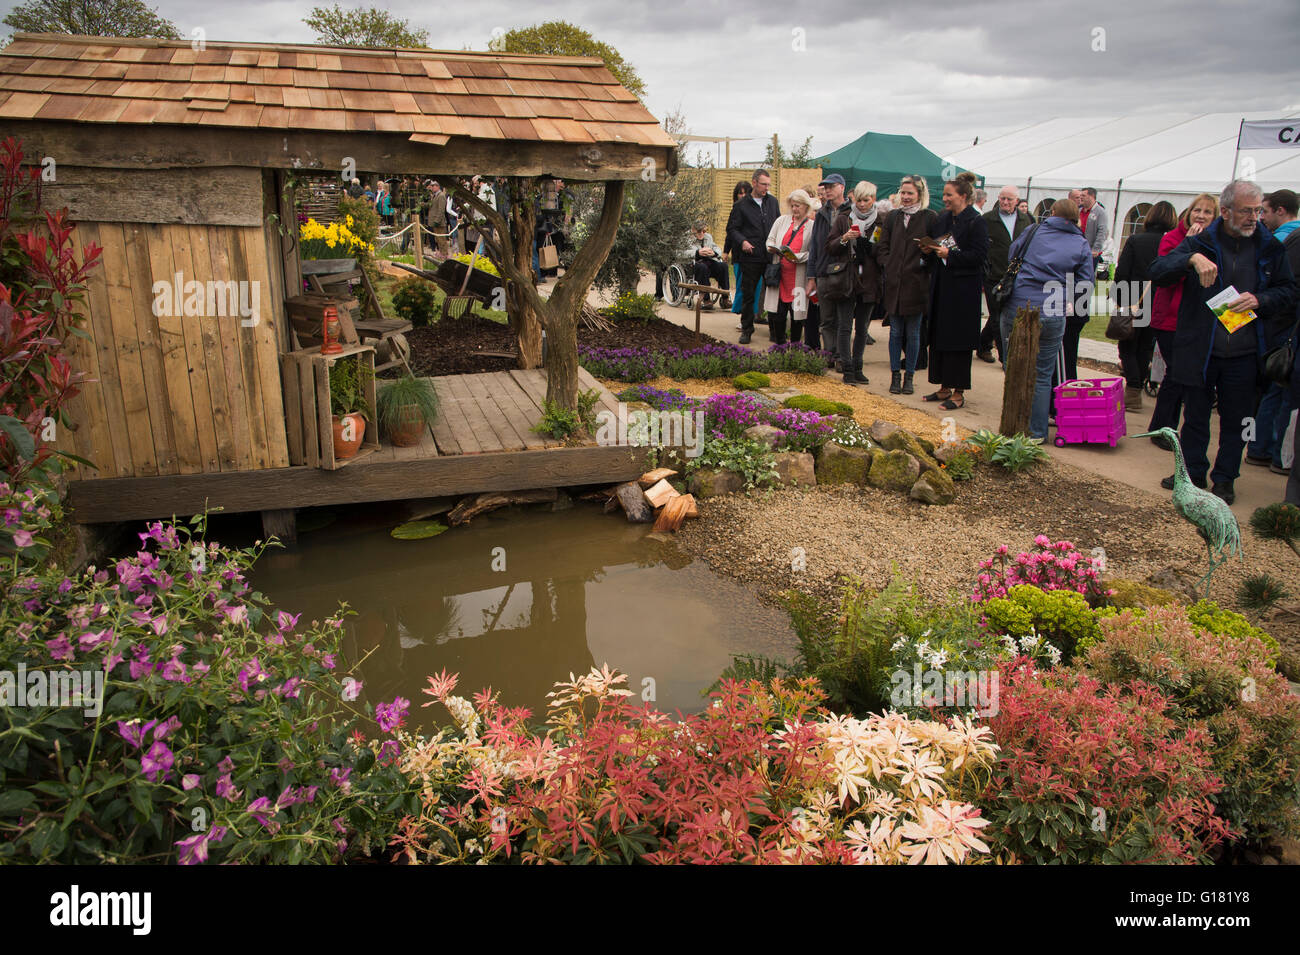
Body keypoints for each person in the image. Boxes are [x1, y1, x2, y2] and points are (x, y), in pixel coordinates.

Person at [1148, 179, 1298, 504]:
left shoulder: (1270, 247)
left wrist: (1260, 299)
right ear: (1226, 210)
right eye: (1246, 211)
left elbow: (1289, 292)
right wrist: (1189, 259)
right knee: (1196, 417)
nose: (1253, 217)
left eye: (1258, 210)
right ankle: (1192, 474)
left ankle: (1226, 478)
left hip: (1246, 352)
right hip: (1202, 350)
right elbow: (1158, 270)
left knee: (1240, 420)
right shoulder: (1200, 242)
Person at [1001, 198, 1094, 439]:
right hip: (1054, 308)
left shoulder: (1034, 230)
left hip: (1021, 303)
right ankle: (1036, 432)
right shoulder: (1081, 243)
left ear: (1052, 213)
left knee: (1015, 366)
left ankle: (1013, 426)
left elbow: (1013, 252)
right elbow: (1086, 282)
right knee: (1043, 372)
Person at [1146, 194, 1217, 447]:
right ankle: (1162, 429)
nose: (1201, 215)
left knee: (1183, 375)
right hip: (1170, 319)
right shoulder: (1173, 239)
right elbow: (1163, 274)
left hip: (1199, 320)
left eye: (1208, 212)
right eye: (1197, 210)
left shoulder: (1216, 243)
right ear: (1187, 213)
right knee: (1175, 373)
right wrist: (1187, 249)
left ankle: (1167, 428)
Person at [921, 172, 989, 409]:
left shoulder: (976, 222)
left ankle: (958, 392)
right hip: (942, 286)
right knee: (939, 337)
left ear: (963, 196)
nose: (945, 199)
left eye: (949, 195)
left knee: (958, 341)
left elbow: (979, 256)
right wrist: (927, 249)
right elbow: (936, 243)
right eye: (944, 195)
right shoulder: (943, 219)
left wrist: (951, 255)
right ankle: (943, 387)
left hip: (963, 292)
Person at [1247, 188, 1300, 474]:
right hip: (1278, 327)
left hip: (1277, 326)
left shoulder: (1284, 240)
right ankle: (1264, 449)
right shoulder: (1285, 241)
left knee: (1270, 390)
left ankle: (1260, 447)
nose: (1260, 218)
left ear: (1280, 210)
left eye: (1263, 211)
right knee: (1273, 391)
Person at [1113, 200, 1177, 412]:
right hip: (1159, 299)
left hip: (1133, 296)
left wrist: (1119, 298)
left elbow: (1122, 272)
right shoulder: (1173, 244)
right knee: (1144, 347)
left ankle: (1132, 389)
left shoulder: (1136, 240)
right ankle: (1136, 387)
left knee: (1128, 346)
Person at [876, 175, 936, 394]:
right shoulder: (893, 217)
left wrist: (924, 263)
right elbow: (882, 246)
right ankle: (895, 375)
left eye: (910, 193)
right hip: (894, 285)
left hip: (916, 285)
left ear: (919, 194)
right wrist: (888, 265)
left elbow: (935, 251)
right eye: (903, 192)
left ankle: (909, 376)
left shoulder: (929, 218)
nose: (906, 197)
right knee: (894, 333)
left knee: (913, 334)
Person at [979, 185, 1034, 364]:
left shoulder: (1026, 220)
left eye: (1009, 199)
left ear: (1017, 201)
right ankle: (1005, 357)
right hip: (993, 275)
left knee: (1007, 313)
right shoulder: (987, 219)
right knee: (996, 316)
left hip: (1016, 276)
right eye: (1002, 198)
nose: (1005, 202)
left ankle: (982, 344)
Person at [807, 173, 856, 373]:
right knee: (826, 318)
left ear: (842, 188)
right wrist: (812, 277)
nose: (827, 190)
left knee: (844, 319)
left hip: (844, 272)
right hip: (824, 272)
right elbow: (815, 246)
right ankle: (829, 354)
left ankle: (843, 357)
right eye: (825, 187)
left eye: (831, 186)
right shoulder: (821, 214)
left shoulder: (852, 211)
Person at [725, 173, 779, 342]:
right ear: (754, 183)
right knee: (748, 294)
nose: (766, 188)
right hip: (750, 257)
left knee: (772, 295)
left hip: (770, 256)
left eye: (768, 185)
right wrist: (743, 242)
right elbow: (732, 229)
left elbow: (778, 223)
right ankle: (747, 329)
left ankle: (775, 331)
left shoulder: (772, 202)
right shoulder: (741, 205)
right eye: (763, 184)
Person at [763, 189, 816, 345]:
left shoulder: (812, 226)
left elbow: (813, 252)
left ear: (806, 206)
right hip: (780, 275)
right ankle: (779, 345)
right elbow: (770, 240)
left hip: (798, 277)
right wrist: (773, 248)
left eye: (798, 206)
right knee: (778, 314)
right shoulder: (782, 221)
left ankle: (794, 348)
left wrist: (797, 257)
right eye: (792, 205)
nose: (794, 209)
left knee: (797, 316)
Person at [849, 181, 883, 351]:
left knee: (862, 328)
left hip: (869, 279)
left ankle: (857, 364)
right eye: (859, 200)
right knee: (844, 325)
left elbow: (880, 249)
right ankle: (844, 361)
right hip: (849, 278)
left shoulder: (881, 221)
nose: (862, 205)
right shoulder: (846, 217)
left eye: (866, 200)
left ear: (873, 199)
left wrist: (870, 247)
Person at [725, 180, 752, 317]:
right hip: (737, 255)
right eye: (740, 193)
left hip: (752, 254)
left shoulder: (754, 211)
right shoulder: (734, 210)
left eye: (745, 193)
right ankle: (740, 310)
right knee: (740, 282)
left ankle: (747, 314)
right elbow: (730, 232)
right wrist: (725, 251)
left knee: (749, 286)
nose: (742, 196)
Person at [688, 220, 729, 310]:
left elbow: (716, 247)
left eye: (704, 231)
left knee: (723, 266)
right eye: (699, 231)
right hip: (694, 263)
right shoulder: (687, 238)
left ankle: (725, 298)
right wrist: (697, 253)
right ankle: (706, 300)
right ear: (693, 230)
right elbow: (680, 252)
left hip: (709, 261)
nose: (702, 233)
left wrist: (713, 253)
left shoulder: (708, 237)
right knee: (703, 267)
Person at [1079, 187, 1108, 272]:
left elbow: (1102, 231)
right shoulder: (1079, 210)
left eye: (1083, 195)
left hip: (1090, 252)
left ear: (1091, 196)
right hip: (1078, 250)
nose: (1081, 197)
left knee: (1087, 276)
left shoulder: (1100, 212)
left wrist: (1096, 249)